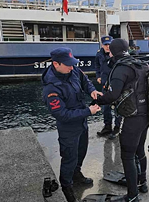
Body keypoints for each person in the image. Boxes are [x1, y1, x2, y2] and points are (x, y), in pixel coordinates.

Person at [42, 47, 102, 202]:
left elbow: (85, 81)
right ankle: (67, 186)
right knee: (69, 157)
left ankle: (77, 174)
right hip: (68, 128)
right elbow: (61, 114)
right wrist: (88, 111)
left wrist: (92, 91)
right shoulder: (51, 87)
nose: (71, 66)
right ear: (56, 64)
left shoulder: (72, 70)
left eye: (72, 63)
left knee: (81, 151)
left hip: (81, 122)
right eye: (68, 64)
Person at [95, 38, 149, 202]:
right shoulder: (139, 63)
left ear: (111, 51)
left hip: (133, 117)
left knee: (127, 154)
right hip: (146, 114)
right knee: (139, 149)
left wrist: (97, 100)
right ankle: (142, 183)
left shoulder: (121, 68)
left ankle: (132, 196)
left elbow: (113, 95)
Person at [95, 36, 122, 139]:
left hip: (115, 85)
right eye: (105, 45)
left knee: (117, 107)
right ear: (102, 45)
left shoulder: (116, 55)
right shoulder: (99, 54)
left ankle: (117, 127)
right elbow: (97, 66)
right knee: (105, 107)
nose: (107, 47)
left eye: (109, 44)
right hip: (105, 84)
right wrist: (98, 76)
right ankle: (107, 126)